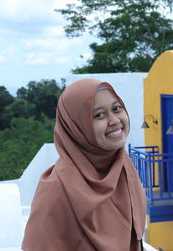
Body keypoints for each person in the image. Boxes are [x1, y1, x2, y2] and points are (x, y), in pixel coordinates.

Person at [22, 79, 146, 251]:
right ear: (77, 127)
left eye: (116, 109)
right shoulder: (56, 189)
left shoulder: (123, 166)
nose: (114, 120)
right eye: (99, 115)